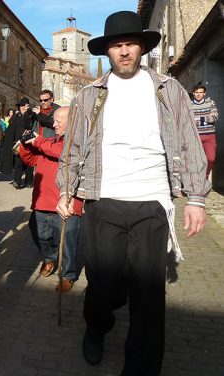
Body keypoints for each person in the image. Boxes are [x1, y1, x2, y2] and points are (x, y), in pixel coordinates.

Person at [56, 11, 210, 375]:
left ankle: (140, 367)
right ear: (107, 51)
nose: (124, 51)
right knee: (102, 285)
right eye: (117, 46)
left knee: (148, 295)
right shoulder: (87, 96)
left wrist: (197, 199)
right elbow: (73, 149)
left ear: (141, 48)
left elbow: (190, 143)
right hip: (102, 200)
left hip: (152, 203)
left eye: (130, 44)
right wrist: (66, 190)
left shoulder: (168, 89)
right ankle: (97, 326)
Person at [19, 107, 82, 292]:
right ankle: (50, 258)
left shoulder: (75, 143)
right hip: (43, 201)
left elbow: (60, 152)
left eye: (58, 121)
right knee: (42, 235)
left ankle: (68, 275)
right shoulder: (47, 142)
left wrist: (37, 141)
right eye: (53, 121)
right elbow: (30, 160)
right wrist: (26, 144)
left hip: (66, 204)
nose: (53, 124)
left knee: (69, 242)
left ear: (71, 121)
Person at [0, 98, 34, 188]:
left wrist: (27, 113)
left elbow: (28, 125)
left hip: (29, 143)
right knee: (18, 163)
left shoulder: (31, 115)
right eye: (21, 106)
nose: (22, 108)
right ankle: (17, 181)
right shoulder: (16, 116)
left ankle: (29, 182)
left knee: (29, 163)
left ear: (27, 106)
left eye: (24, 106)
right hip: (18, 143)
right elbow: (10, 128)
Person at [191, 84, 219, 179]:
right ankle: (197, 181)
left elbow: (214, 118)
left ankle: (205, 176)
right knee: (196, 161)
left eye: (201, 92)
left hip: (209, 136)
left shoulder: (210, 103)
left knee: (211, 158)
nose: (198, 94)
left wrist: (197, 119)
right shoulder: (189, 104)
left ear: (204, 93)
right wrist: (206, 118)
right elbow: (189, 121)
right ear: (193, 93)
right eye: (197, 92)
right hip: (194, 137)